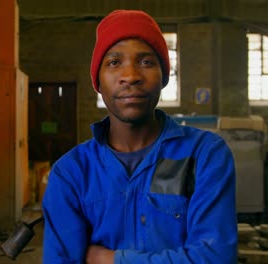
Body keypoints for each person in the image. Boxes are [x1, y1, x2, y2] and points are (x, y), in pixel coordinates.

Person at [42, 9, 237, 264]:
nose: (131, 76)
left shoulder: (204, 155)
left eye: (146, 62)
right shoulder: (71, 174)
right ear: (98, 81)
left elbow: (216, 258)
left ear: (164, 77)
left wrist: (110, 259)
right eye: (114, 62)